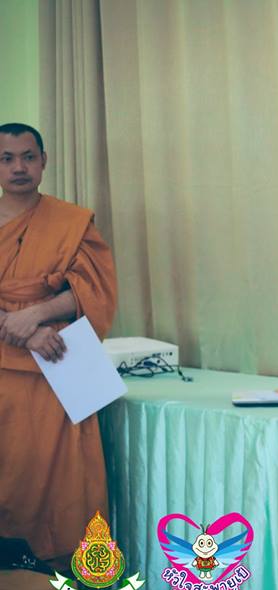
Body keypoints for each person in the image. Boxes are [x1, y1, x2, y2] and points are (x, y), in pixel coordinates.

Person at [0, 122, 118, 566]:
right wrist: (23, 328)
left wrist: (37, 314)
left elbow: (94, 287)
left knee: (67, 477)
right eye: (7, 158)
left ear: (44, 162)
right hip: (11, 363)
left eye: (28, 157)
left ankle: (67, 567)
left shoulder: (71, 221)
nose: (19, 167)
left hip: (61, 362)